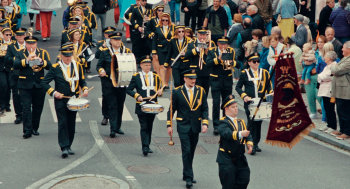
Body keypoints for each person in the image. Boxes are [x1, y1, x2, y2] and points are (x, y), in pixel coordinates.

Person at [41, 42, 89, 158]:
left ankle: (69, 145)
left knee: (71, 124)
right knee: (62, 122)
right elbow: (44, 82)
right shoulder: (55, 68)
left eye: (69, 56)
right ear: (61, 56)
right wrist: (54, 92)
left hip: (74, 99)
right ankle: (64, 147)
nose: (68, 58)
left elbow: (82, 81)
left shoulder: (77, 66)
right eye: (66, 56)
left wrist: (85, 89)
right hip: (61, 99)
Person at [166, 69, 209, 189]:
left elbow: (205, 108)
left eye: (194, 78)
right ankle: (189, 177)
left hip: (195, 126)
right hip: (183, 125)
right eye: (190, 78)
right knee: (186, 150)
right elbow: (171, 110)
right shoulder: (177, 91)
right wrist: (169, 125)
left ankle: (186, 173)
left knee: (192, 151)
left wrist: (205, 123)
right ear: (184, 78)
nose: (193, 80)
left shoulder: (201, 91)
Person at [13, 35, 51, 138]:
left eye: (33, 43)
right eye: (28, 43)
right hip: (24, 85)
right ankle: (27, 130)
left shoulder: (42, 53)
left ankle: (35, 127)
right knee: (26, 108)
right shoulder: (20, 53)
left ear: (36, 44)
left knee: (37, 108)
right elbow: (15, 65)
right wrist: (26, 60)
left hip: (39, 84)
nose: (31, 46)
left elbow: (50, 66)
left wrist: (41, 61)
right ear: (25, 44)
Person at [236, 53, 273, 155]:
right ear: (249, 63)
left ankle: (256, 143)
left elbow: (269, 86)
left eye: (258, 61)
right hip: (250, 102)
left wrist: (271, 92)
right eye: (254, 62)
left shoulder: (264, 73)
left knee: (258, 123)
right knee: (251, 123)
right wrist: (244, 96)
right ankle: (250, 143)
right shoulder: (244, 73)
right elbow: (238, 87)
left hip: (261, 102)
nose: (256, 63)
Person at [126, 55, 163, 156]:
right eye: (146, 65)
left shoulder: (156, 76)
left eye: (149, 65)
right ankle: (145, 146)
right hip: (141, 105)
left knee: (150, 125)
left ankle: (147, 144)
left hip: (152, 105)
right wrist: (137, 96)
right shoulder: (136, 77)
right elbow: (129, 90)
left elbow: (159, 90)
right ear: (141, 66)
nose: (148, 67)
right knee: (144, 125)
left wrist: (160, 92)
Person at [96, 32, 131, 138]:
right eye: (116, 40)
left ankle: (117, 126)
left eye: (119, 39)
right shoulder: (105, 52)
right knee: (112, 106)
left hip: (121, 82)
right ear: (110, 41)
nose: (118, 41)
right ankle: (112, 128)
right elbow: (99, 65)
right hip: (109, 83)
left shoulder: (126, 52)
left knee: (120, 105)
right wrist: (101, 70)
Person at [216, 94, 253, 189]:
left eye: (236, 107)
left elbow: (248, 135)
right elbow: (227, 134)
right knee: (228, 184)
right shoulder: (223, 122)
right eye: (233, 107)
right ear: (226, 109)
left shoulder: (241, 122)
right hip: (227, 158)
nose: (236, 109)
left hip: (240, 157)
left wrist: (249, 144)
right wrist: (241, 134)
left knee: (244, 179)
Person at [207, 36, 238, 135]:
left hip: (227, 80)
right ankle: (216, 125)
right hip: (215, 79)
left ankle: (226, 124)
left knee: (227, 104)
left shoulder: (231, 51)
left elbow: (237, 63)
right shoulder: (212, 51)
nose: (224, 46)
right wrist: (218, 59)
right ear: (218, 44)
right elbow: (208, 64)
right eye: (222, 44)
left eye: (225, 44)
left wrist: (232, 63)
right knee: (216, 103)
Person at [4, 27, 26, 124]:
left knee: (26, 95)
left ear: (25, 36)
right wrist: (17, 60)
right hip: (15, 73)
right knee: (16, 95)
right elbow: (7, 58)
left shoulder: (28, 45)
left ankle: (26, 114)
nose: (20, 37)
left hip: (26, 73)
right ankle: (19, 115)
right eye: (18, 35)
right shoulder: (11, 46)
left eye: (22, 35)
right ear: (15, 37)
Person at [185, 28, 216, 95]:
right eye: (200, 35)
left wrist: (207, 50)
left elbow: (214, 56)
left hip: (207, 71)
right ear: (197, 35)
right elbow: (187, 56)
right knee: (196, 93)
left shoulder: (211, 43)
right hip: (196, 71)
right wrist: (196, 49)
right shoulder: (191, 43)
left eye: (204, 35)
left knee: (205, 92)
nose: (202, 37)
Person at [95, 26, 116, 125]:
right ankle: (105, 116)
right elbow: (97, 56)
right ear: (105, 35)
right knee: (106, 96)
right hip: (106, 75)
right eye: (108, 34)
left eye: (111, 34)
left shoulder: (117, 43)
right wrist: (103, 47)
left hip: (116, 75)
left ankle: (115, 118)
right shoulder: (100, 43)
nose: (110, 36)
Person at [329, 41, 350, 140]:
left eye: (344, 48)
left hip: (345, 91)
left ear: (349, 49)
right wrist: (336, 69)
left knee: (345, 112)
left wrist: (334, 68)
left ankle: (347, 132)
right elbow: (337, 70)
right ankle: (342, 130)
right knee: (340, 111)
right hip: (340, 90)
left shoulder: (349, 60)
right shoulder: (345, 59)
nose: (342, 49)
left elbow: (336, 70)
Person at [152, 13, 175, 88]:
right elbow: (154, 40)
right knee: (162, 66)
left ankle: (166, 82)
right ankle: (162, 82)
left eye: (166, 20)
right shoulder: (157, 27)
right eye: (163, 20)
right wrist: (154, 51)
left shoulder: (173, 27)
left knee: (169, 66)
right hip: (161, 49)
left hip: (170, 49)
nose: (165, 21)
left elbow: (175, 37)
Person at [317, 51, 337, 134]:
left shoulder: (334, 65)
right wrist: (321, 77)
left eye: (325, 56)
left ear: (329, 58)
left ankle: (332, 126)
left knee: (330, 109)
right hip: (324, 90)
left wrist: (321, 77)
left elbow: (327, 76)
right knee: (326, 108)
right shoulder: (327, 66)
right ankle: (328, 124)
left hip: (329, 90)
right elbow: (320, 76)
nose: (324, 58)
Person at [146, 5, 165, 76]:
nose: (161, 12)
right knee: (155, 57)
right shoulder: (152, 20)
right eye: (159, 10)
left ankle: (160, 72)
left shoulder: (165, 20)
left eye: (162, 10)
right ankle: (155, 71)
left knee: (161, 57)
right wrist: (151, 34)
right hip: (153, 41)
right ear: (156, 11)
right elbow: (147, 30)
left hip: (162, 42)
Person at [0, 27, 12, 114]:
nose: (8, 36)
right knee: (3, 86)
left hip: (10, 68)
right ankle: (2, 105)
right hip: (1, 68)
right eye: (6, 35)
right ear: (3, 35)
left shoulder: (13, 45)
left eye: (10, 34)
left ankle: (7, 105)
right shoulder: (0, 43)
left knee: (9, 87)